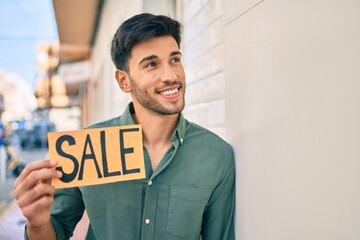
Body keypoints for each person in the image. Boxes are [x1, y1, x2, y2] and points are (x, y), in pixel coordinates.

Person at [14, 13, 235, 240]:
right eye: (151, 64)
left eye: (175, 59)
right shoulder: (84, 150)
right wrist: (37, 223)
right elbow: (56, 231)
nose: (170, 75)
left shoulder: (217, 156)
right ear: (124, 81)